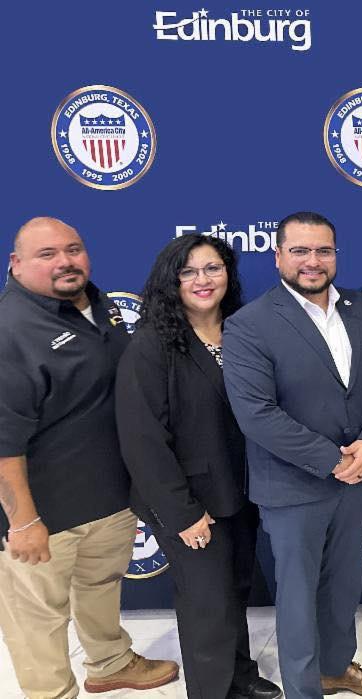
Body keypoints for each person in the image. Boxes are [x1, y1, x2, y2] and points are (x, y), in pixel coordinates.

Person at [0, 217, 179, 698]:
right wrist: (23, 521)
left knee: (100, 586)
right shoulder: (9, 330)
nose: (65, 261)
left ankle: (110, 662)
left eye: (73, 249)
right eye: (47, 254)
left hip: (109, 499)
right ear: (15, 263)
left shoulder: (98, 304)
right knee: (37, 616)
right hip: (45, 514)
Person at [223, 212, 362, 698]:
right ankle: (304, 689)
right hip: (293, 486)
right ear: (278, 256)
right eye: (299, 251)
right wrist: (333, 460)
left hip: (357, 478)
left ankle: (336, 667)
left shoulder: (361, 309)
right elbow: (257, 415)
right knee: (298, 597)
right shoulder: (249, 325)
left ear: (336, 255)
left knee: (343, 585)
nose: (312, 261)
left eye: (323, 250)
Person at [115, 234, 281, 699]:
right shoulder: (152, 345)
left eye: (212, 268)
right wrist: (182, 513)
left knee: (236, 590)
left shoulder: (241, 330)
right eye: (188, 271)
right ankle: (213, 689)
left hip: (241, 491)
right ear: (171, 280)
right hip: (189, 502)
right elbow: (143, 440)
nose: (202, 280)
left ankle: (240, 676)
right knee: (207, 602)